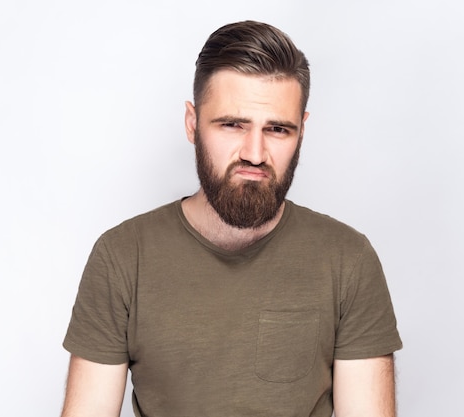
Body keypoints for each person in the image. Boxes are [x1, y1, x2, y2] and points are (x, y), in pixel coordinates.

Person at [60, 20, 402, 417]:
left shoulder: (347, 260)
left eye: (277, 129)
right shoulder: (122, 257)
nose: (254, 154)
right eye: (232, 125)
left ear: (302, 132)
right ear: (193, 124)